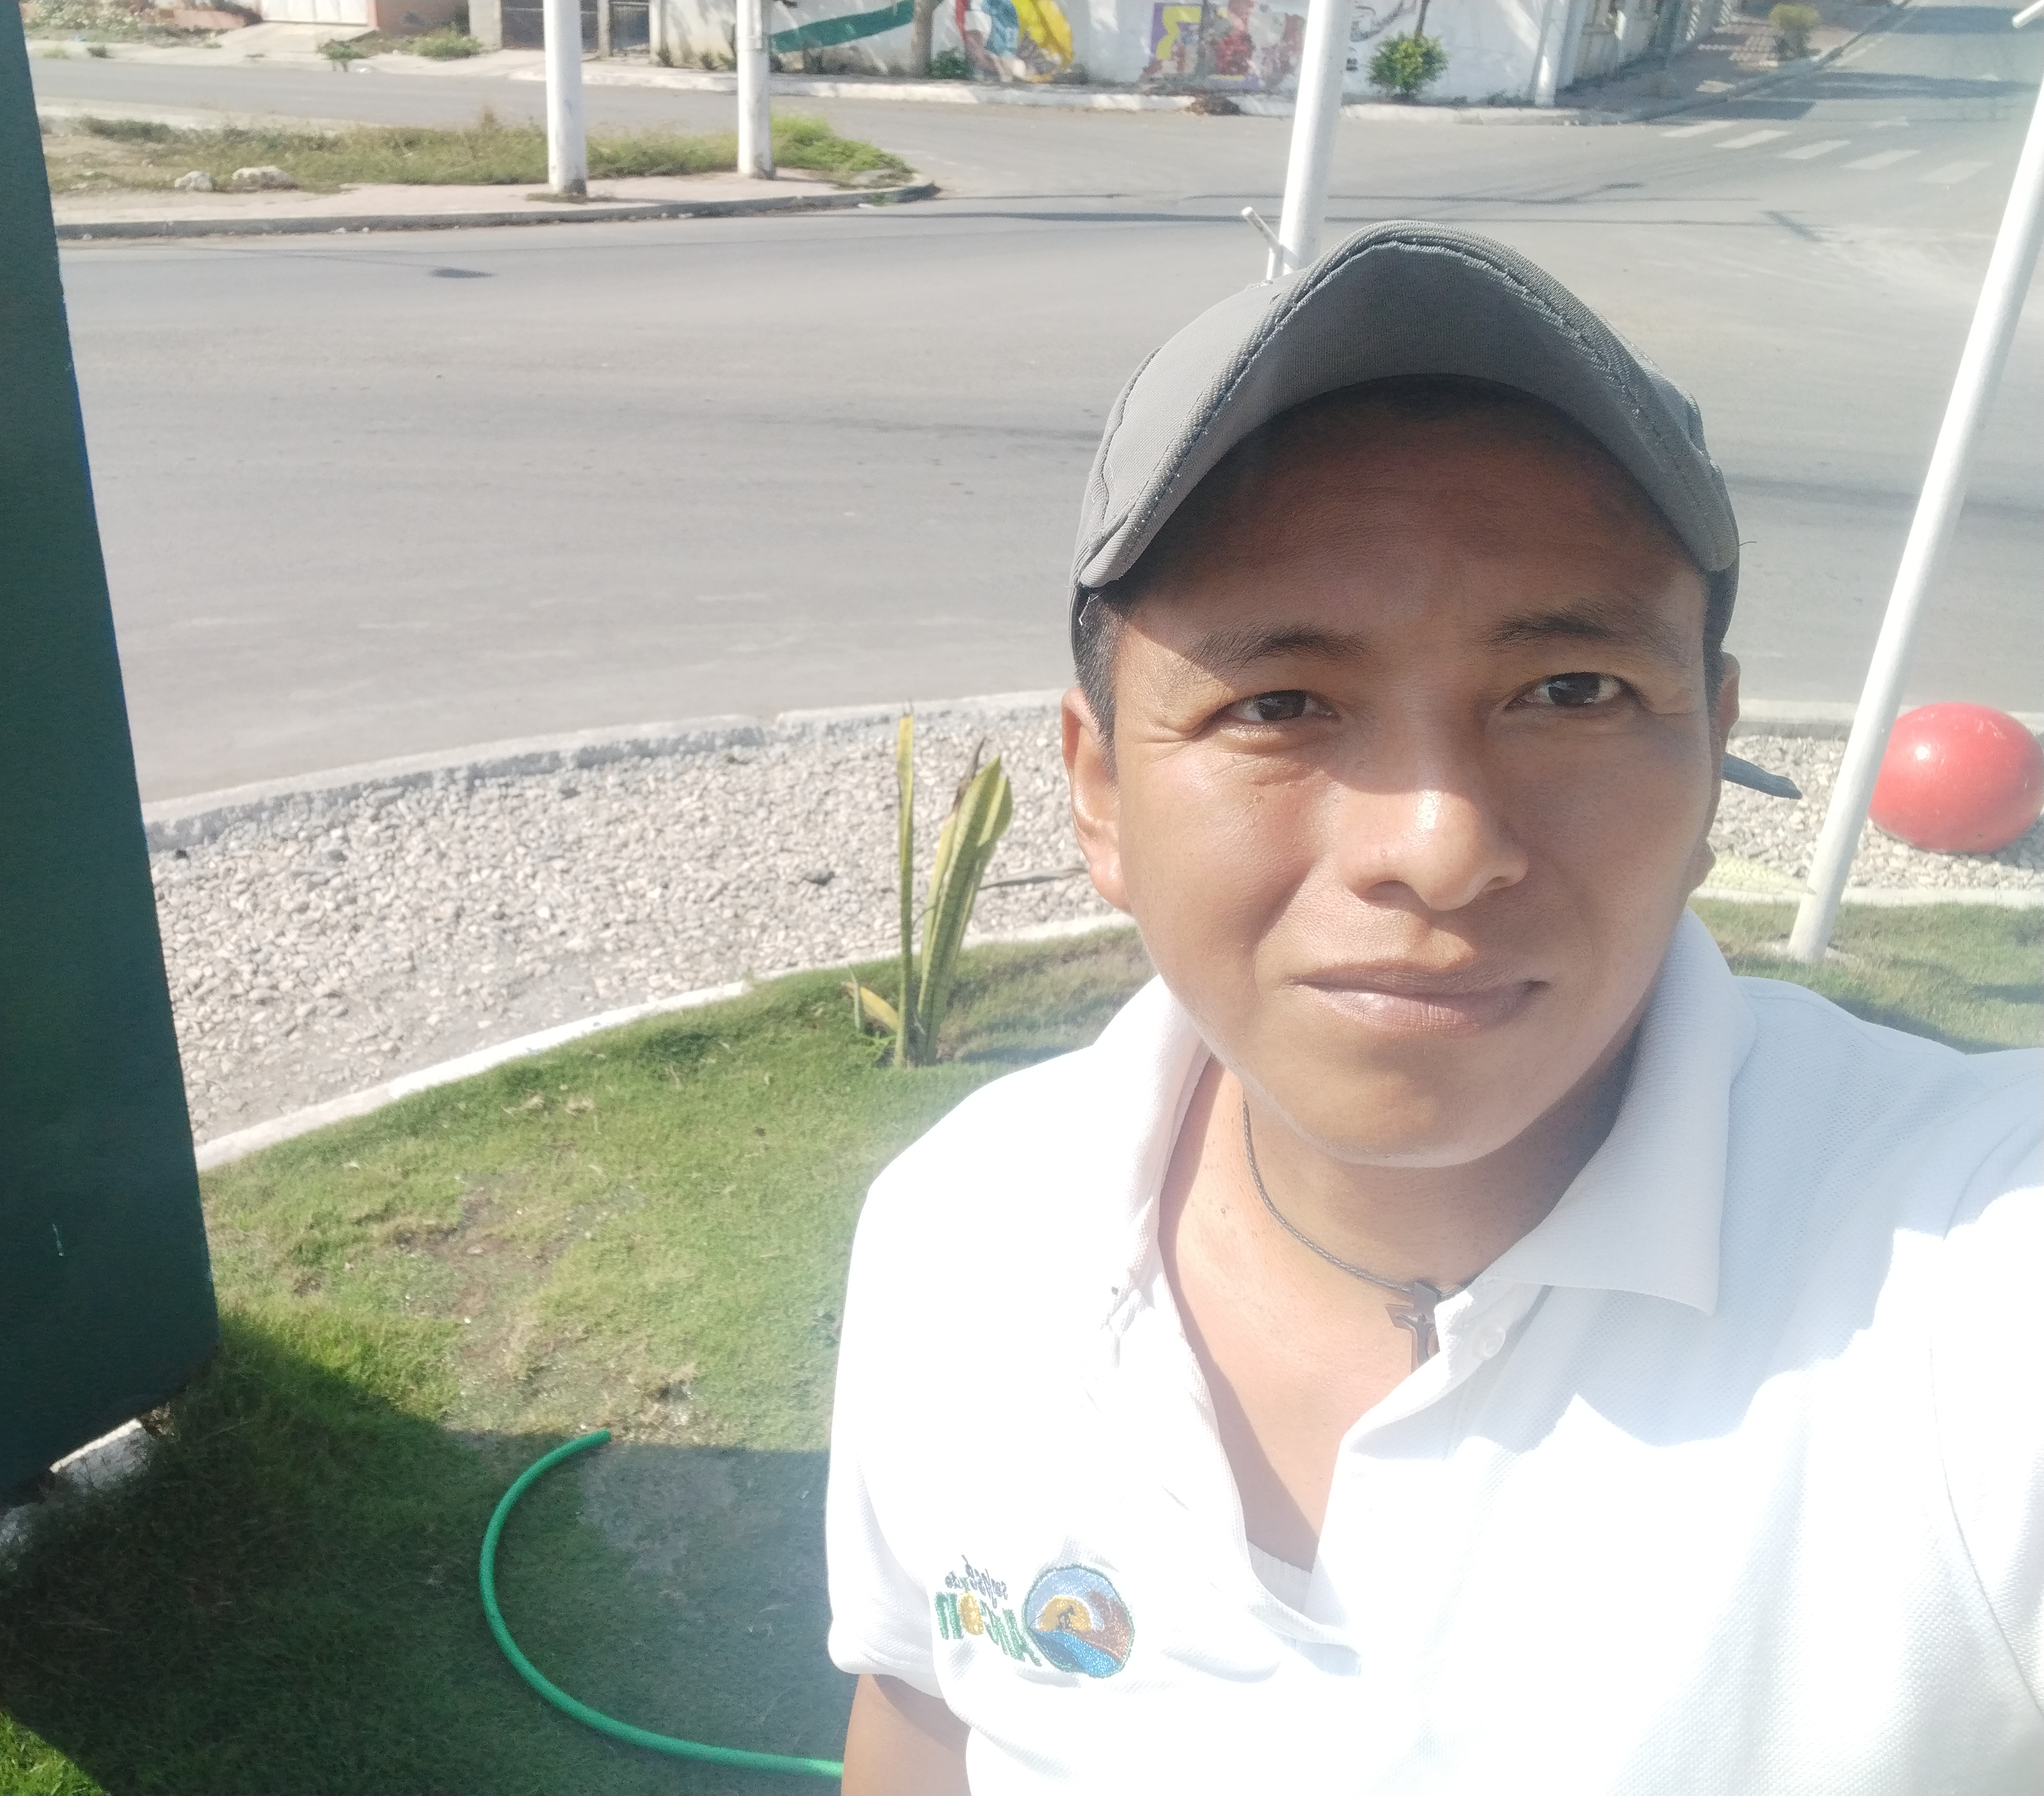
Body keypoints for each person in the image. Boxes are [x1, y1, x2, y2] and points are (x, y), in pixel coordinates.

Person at [823, 222, 2042, 1793]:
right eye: (1280, 703)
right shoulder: (962, 1232)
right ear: (1102, 791)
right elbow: (926, 1714)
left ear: (1708, 747)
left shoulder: (1972, 1272)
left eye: (1573, 692)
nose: (1440, 846)